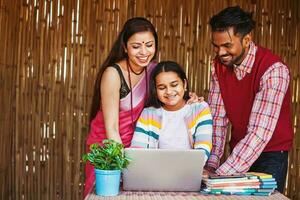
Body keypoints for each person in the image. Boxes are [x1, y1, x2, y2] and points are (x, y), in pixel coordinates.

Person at [84, 18, 199, 197]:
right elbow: (112, 128)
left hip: (140, 146)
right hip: (108, 147)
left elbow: (170, 95)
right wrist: (122, 163)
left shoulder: (154, 71)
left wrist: (189, 98)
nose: (144, 52)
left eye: (149, 45)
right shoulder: (113, 74)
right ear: (125, 46)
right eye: (136, 46)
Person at [205, 6, 293, 193]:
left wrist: (220, 176)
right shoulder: (218, 66)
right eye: (216, 45)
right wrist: (211, 166)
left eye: (227, 45)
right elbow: (217, 120)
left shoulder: (274, 71)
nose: (220, 52)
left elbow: (258, 134)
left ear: (246, 40)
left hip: (270, 156)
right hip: (237, 152)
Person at [131, 61, 213, 162]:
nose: (169, 91)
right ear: (155, 90)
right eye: (162, 88)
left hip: (188, 173)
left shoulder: (200, 108)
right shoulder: (148, 114)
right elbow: (137, 151)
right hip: (154, 173)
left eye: (174, 85)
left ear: (184, 83)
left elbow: (203, 149)